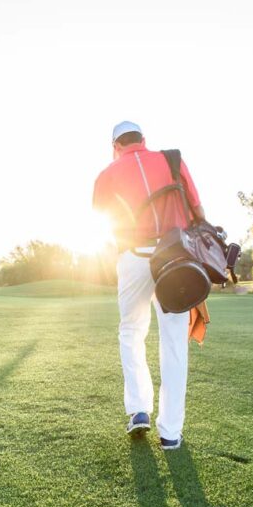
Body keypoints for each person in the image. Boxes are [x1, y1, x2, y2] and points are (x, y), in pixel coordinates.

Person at [92, 121, 207, 451]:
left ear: (115, 146)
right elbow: (198, 208)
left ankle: (139, 409)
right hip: (175, 258)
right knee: (173, 340)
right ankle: (170, 433)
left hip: (134, 257)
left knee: (131, 330)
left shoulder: (106, 174)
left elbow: (103, 220)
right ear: (144, 139)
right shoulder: (171, 160)